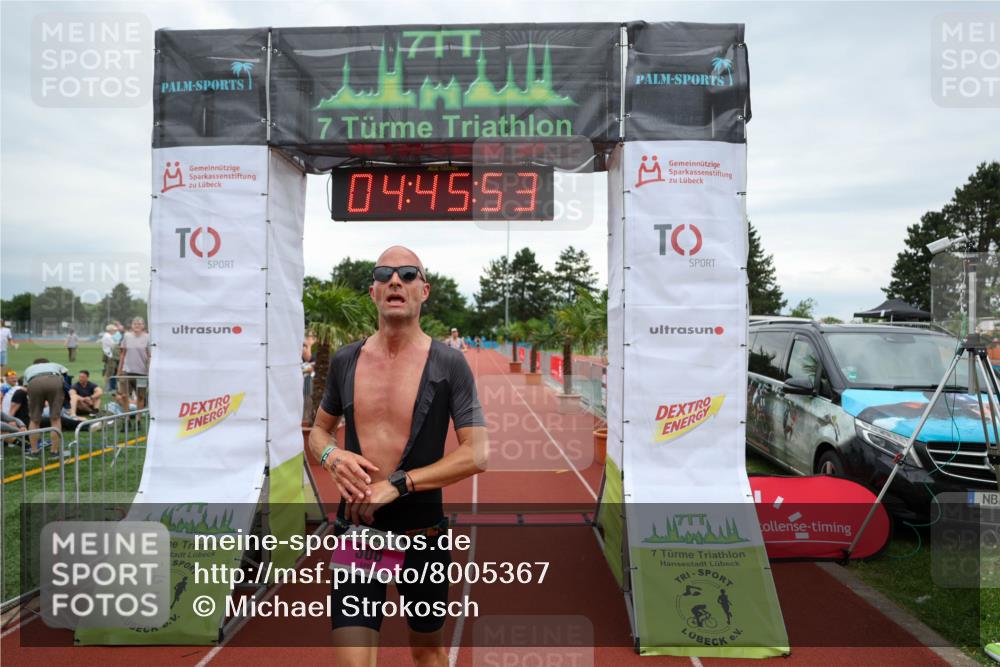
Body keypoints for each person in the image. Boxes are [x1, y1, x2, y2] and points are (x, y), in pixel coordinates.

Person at [309, 246, 486, 667]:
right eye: (385, 273)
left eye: (408, 274)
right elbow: (318, 432)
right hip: (358, 533)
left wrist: (398, 483)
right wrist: (332, 455)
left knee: (427, 652)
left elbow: (478, 454)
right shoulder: (345, 361)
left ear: (424, 291)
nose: (395, 280)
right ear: (373, 291)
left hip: (423, 535)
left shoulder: (450, 363)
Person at [24, 358, 69, 457]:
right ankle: (54, 452)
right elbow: (66, 373)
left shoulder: (29, 368)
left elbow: (26, 386)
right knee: (55, 419)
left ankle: (34, 451)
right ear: (47, 363)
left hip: (34, 382)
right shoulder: (55, 363)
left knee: (34, 420)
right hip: (54, 380)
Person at [116, 317, 150, 412]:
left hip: (142, 373)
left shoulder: (148, 337)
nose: (137, 325)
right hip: (127, 371)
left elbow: (149, 355)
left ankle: (138, 420)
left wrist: (149, 370)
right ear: (132, 325)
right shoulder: (127, 336)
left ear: (143, 326)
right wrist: (119, 370)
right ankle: (126, 418)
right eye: (135, 323)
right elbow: (122, 354)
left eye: (139, 324)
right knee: (124, 395)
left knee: (140, 396)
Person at [101, 324, 118, 391]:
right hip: (110, 355)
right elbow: (113, 345)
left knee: (109, 371)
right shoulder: (108, 336)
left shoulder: (106, 336)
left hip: (108, 355)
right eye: (114, 330)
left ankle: (110, 386)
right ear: (110, 330)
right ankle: (107, 387)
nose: (115, 331)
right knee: (109, 372)